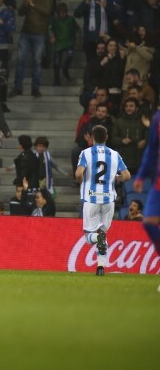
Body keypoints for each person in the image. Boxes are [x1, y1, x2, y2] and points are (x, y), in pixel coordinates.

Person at [75, 125, 130, 276]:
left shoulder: (86, 153)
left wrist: (81, 179)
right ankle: (100, 267)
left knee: (89, 237)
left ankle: (97, 239)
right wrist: (115, 178)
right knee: (103, 233)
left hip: (91, 199)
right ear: (106, 137)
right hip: (108, 200)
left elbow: (78, 173)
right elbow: (127, 176)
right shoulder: (114, 154)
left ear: (92, 138)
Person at [132, 109, 160, 287]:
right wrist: (141, 175)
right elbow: (151, 148)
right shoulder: (158, 119)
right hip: (158, 184)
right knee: (148, 222)